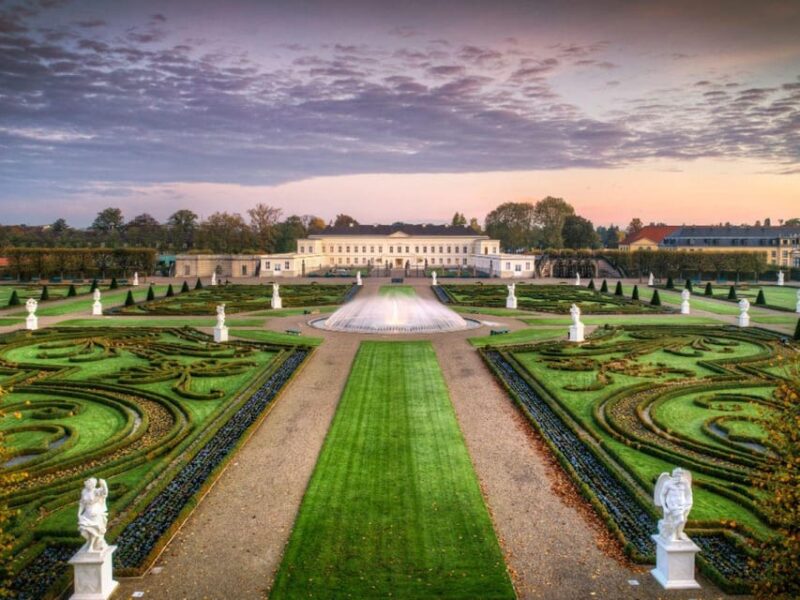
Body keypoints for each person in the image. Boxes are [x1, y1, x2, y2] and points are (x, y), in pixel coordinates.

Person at [654, 468, 693, 541]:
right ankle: (672, 533)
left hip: (682, 505)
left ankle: (678, 533)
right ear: (674, 475)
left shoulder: (684, 483)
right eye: (677, 476)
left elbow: (689, 494)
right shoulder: (668, 483)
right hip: (672, 505)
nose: (679, 478)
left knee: (683, 520)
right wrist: (665, 507)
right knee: (680, 520)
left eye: (680, 476)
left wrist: (689, 503)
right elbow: (662, 495)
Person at [78, 478, 109, 552]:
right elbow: (82, 503)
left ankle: (91, 546)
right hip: (87, 513)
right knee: (83, 528)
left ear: (92, 485)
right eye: (87, 483)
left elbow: (104, 493)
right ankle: (90, 543)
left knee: (93, 530)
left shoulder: (96, 491)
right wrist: (79, 513)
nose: (86, 484)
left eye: (89, 483)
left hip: (95, 512)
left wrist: (104, 484)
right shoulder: (84, 491)